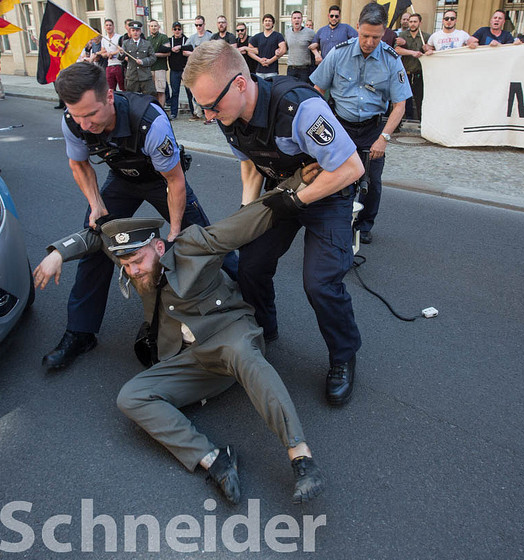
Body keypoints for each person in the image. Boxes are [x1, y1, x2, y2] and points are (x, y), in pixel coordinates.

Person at [33, 191, 326, 505]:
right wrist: (58, 253)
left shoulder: (193, 248)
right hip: (191, 357)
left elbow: (245, 222)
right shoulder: (131, 257)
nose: (132, 271)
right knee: (130, 398)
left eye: (137, 261)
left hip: (227, 335)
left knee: (245, 355)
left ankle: (301, 457)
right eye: (125, 263)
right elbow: (97, 240)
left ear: (159, 247)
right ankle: (215, 459)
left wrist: (297, 190)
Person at [183, 40, 365, 405]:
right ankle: (264, 329)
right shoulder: (227, 113)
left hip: (328, 194)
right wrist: (247, 213)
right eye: (201, 108)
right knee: (251, 264)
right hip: (283, 193)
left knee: (320, 284)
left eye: (211, 107)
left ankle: (344, 355)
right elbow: (251, 163)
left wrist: (296, 199)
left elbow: (351, 168)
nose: (208, 117)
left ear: (238, 84)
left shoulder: (300, 108)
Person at [42, 62, 237, 371]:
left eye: (91, 114)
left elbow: (174, 181)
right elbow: (79, 165)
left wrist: (174, 232)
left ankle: (254, 309)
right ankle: (80, 332)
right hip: (122, 180)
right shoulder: (73, 119)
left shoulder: (150, 121)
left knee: (203, 240)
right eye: (77, 115)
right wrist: (96, 205)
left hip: (161, 180)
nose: (85, 124)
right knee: (95, 242)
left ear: (108, 96)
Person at [311, 3, 411, 246]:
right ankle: (337, 220)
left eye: (375, 37)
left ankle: (364, 225)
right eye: (365, 35)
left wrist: (384, 138)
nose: (369, 42)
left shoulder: (391, 59)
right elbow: (317, 91)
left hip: (372, 129)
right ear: (357, 28)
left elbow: (400, 105)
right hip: (341, 127)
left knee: (372, 183)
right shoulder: (338, 53)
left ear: (384, 32)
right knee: (336, 178)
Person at [396, 13, 427, 121]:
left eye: (415, 22)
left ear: (420, 23)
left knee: (420, 99)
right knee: (405, 99)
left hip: (419, 73)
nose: (412, 24)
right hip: (405, 73)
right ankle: (407, 120)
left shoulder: (425, 36)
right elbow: (397, 50)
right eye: (411, 21)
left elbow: (431, 51)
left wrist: (428, 49)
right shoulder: (402, 35)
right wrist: (412, 52)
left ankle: (421, 121)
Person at [184, 15, 213, 121]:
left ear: (204, 24)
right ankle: (197, 113)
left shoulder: (210, 36)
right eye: (196, 25)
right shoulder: (192, 38)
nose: (198, 27)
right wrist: (196, 53)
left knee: (209, 92)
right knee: (195, 91)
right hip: (196, 69)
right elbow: (185, 51)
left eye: (200, 25)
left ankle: (210, 114)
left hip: (207, 69)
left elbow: (213, 51)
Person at [120, 21, 157, 95]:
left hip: (145, 76)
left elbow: (153, 58)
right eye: (133, 30)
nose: (135, 33)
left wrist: (143, 61)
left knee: (149, 97)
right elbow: (120, 58)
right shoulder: (126, 43)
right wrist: (121, 53)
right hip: (132, 76)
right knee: (132, 98)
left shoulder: (147, 43)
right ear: (130, 31)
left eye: (137, 30)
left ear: (140, 31)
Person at [168, 21, 194, 120]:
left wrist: (180, 47)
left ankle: (193, 112)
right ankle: (173, 113)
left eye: (179, 29)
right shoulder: (169, 40)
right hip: (174, 70)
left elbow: (191, 47)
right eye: (175, 29)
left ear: (181, 30)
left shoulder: (186, 40)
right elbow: (162, 48)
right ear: (172, 30)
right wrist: (171, 49)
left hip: (185, 70)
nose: (177, 31)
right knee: (174, 92)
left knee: (189, 92)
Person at [248, 14, 287, 79]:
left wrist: (270, 61)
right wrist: (260, 60)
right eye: (266, 21)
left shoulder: (278, 36)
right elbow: (249, 51)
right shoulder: (257, 36)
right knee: (260, 89)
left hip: (272, 71)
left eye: (269, 21)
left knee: (271, 88)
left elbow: (283, 50)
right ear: (263, 23)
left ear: (273, 23)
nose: (267, 23)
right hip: (259, 71)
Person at [285, 10, 316, 83]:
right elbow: (285, 47)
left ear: (302, 20)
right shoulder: (287, 32)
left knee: (303, 91)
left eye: (298, 18)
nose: (296, 20)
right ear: (291, 20)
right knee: (291, 91)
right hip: (291, 68)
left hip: (304, 69)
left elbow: (317, 44)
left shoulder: (310, 32)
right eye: (294, 18)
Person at [147, 20, 171, 107]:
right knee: (153, 92)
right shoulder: (148, 39)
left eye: (155, 26)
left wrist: (154, 55)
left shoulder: (163, 37)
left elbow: (168, 53)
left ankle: (161, 110)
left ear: (158, 27)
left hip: (160, 68)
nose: (153, 28)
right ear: (149, 28)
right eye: (152, 26)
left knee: (160, 91)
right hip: (150, 68)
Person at [100, 19, 124, 91]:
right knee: (110, 88)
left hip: (119, 64)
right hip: (109, 65)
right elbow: (102, 52)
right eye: (107, 25)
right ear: (104, 27)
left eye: (110, 25)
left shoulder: (119, 37)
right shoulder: (104, 39)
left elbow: (121, 49)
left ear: (113, 27)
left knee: (122, 87)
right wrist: (106, 54)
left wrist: (112, 53)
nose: (108, 27)